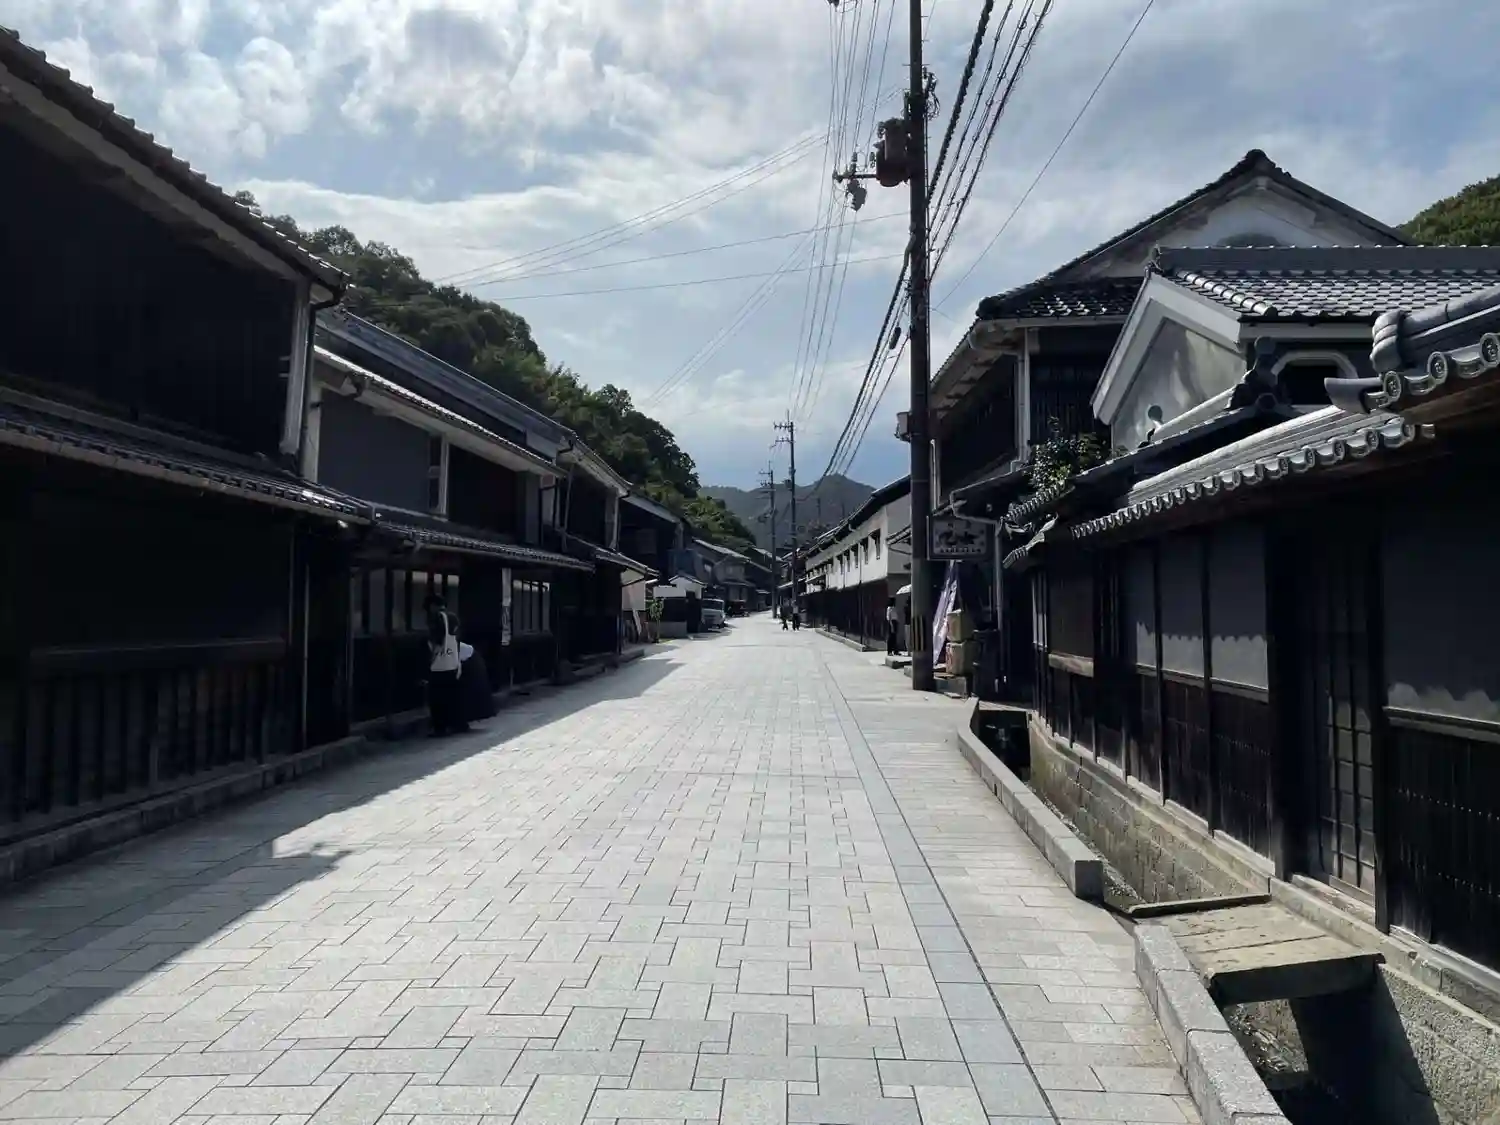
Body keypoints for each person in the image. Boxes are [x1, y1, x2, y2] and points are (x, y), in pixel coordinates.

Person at [425, 593, 469, 737]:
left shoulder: (437, 618)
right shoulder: (453, 617)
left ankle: (440, 728)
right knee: (453, 696)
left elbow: (437, 642)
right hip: (453, 662)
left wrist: (431, 660)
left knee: (437, 698)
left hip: (439, 664)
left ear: (433, 606)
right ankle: (459, 724)